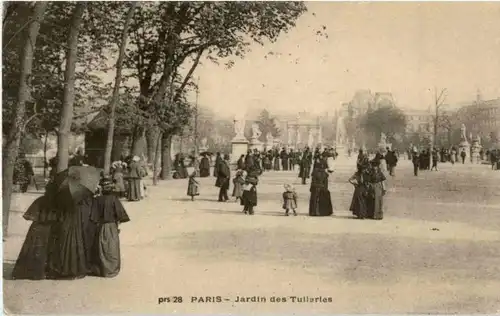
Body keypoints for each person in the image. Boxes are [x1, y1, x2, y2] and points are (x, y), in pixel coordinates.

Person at [88, 179, 130, 278]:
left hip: (100, 226)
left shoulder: (97, 200)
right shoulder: (114, 199)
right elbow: (121, 215)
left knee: (101, 248)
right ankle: (112, 269)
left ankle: (103, 269)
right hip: (111, 226)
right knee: (112, 248)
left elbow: (93, 216)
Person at [11, 194, 59, 280]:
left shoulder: (40, 200)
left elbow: (30, 215)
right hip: (50, 228)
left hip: (37, 228)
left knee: (33, 247)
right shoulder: (59, 203)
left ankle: (29, 271)